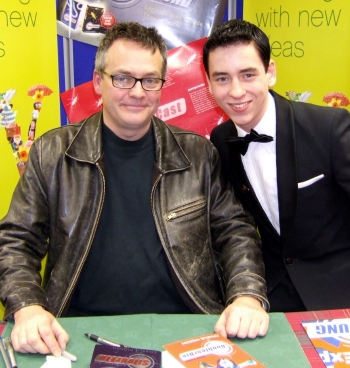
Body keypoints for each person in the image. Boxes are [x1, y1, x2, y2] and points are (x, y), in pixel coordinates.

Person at [0, 22, 269, 357]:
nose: (138, 92)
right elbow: (15, 240)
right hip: (76, 333)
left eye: (150, 80)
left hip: (188, 328)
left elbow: (235, 232)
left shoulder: (197, 154)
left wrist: (246, 296)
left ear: (161, 84)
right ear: (99, 81)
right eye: (123, 78)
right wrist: (27, 307)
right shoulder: (52, 153)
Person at [205, 18, 350, 313]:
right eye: (222, 78)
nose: (235, 91)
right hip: (269, 296)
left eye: (247, 75)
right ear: (208, 83)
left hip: (339, 292)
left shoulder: (329, 127)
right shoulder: (221, 140)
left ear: (270, 72)